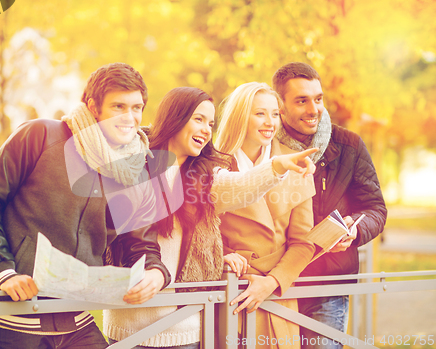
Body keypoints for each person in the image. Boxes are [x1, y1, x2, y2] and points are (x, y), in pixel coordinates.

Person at [0, 62, 171, 349]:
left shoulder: (135, 167)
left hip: (77, 319)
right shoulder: (39, 135)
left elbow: (139, 242)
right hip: (10, 318)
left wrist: (155, 271)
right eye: (118, 107)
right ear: (93, 107)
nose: (130, 117)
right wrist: (3, 271)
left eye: (137, 108)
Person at [103, 87, 317, 348]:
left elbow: (241, 185)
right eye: (198, 119)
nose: (206, 129)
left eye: (211, 123)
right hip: (129, 326)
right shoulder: (131, 165)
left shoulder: (205, 179)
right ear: (176, 117)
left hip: (185, 328)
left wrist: (278, 165)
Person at [272, 62, 387, 349]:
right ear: (280, 106)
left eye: (318, 98)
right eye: (302, 100)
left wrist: (355, 230)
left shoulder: (349, 145)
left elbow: (375, 209)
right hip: (272, 282)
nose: (314, 109)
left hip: (328, 285)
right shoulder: (264, 146)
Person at [215, 82, 317, 349]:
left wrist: (271, 282)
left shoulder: (295, 163)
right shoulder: (213, 163)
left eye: (274, 114)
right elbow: (199, 227)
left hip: (275, 292)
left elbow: (304, 242)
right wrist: (221, 254)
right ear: (240, 116)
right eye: (260, 113)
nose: (270, 122)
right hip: (230, 288)